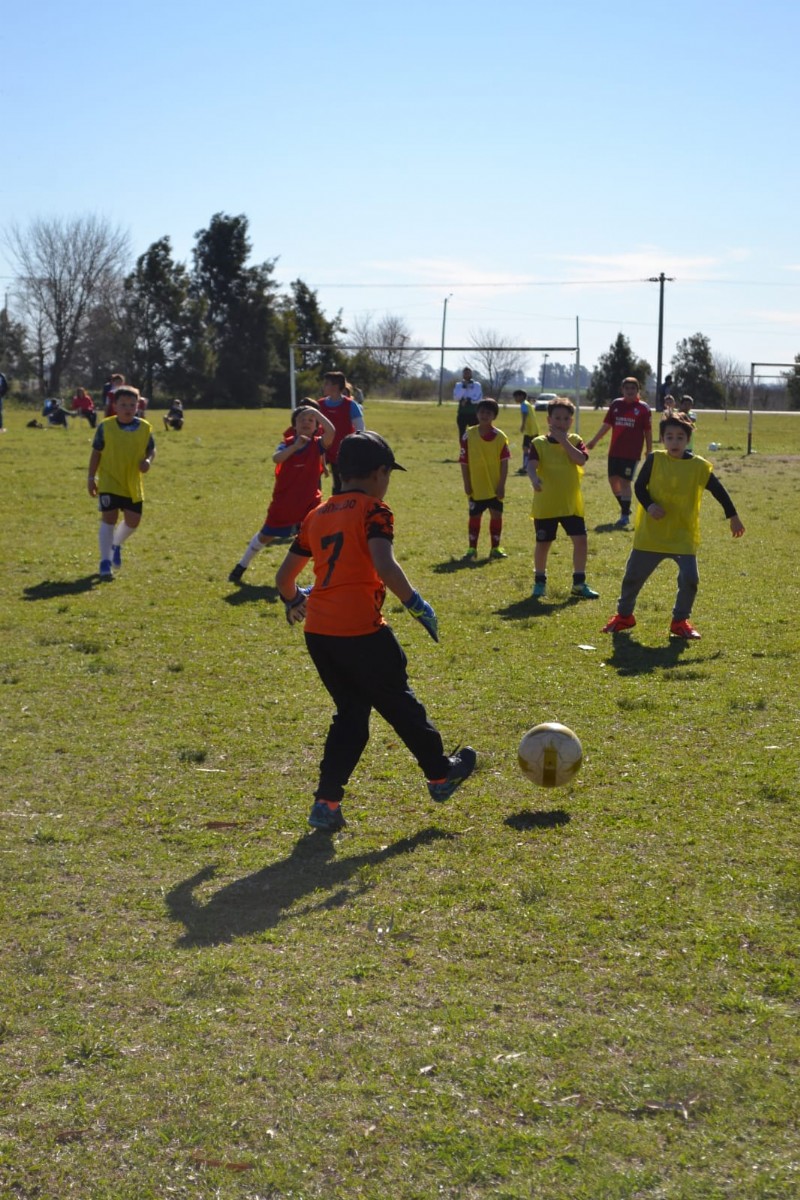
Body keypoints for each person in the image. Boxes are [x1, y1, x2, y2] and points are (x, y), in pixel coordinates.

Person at [275, 430, 477, 832]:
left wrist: (294, 600)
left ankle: (326, 802)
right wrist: (417, 605)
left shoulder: (315, 515)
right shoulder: (374, 510)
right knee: (401, 705)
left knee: (350, 717)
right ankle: (440, 774)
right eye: (388, 474)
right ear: (380, 472)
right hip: (362, 631)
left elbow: (284, 578)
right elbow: (384, 564)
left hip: (319, 635)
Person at [601, 412, 744, 640]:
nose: (674, 442)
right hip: (652, 534)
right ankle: (624, 616)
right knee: (632, 577)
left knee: (690, 579)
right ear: (662, 439)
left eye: (679, 437)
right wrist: (649, 506)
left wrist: (733, 516)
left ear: (687, 440)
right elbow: (639, 487)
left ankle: (680, 621)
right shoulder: (655, 459)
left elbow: (718, 490)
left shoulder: (698, 466)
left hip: (682, 534)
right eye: (669, 437)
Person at [229, 401, 336, 583]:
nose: (306, 422)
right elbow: (276, 458)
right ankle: (242, 566)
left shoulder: (317, 444)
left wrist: (317, 414)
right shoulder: (286, 444)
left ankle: (328, 576)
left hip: (310, 502)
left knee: (318, 537)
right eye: (302, 419)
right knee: (266, 535)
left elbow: (332, 432)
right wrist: (294, 447)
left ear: (316, 426)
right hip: (284, 502)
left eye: (311, 420)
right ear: (294, 425)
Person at [527, 396, 598, 600]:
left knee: (581, 541)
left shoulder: (575, 441)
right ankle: (539, 582)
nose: (561, 422)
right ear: (549, 420)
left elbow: (580, 460)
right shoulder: (538, 443)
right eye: (557, 418)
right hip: (546, 505)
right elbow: (531, 465)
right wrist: (534, 479)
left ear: (571, 421)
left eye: (566, 419)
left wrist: (563, 442)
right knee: (543, 544)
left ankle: (579, 583)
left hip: (570, 505)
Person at [87, 386, 155, 581]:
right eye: (123, 404)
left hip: (132, 482)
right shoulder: (105, 427)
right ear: (115, 406)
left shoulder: (144, 427)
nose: (128, 408)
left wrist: (148, 461)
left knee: (133, 521)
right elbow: (96, 453)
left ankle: (116, 544)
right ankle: (105, 561)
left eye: (132, 405)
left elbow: (152, 449)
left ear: (138, 406)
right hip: (109, 480)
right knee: (109, 518)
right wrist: (91, 478)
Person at [586, 376, 653, 529]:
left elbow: (648, 432)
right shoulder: (616, 404)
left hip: (631, 453)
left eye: (633, 388)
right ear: (622, 390)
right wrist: (594, 441)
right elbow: (606, 425)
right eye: (627, 388)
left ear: (638, 391)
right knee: (612, 481)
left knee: (624, 482)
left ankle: (624, 516)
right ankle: (625, 507)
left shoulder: (643, 408)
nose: (630, 391)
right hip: (615, 450)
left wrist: (649, 450)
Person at [460, 397, 510, 560]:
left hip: (495, 486)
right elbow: (464, 462)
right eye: (482, 411)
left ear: (494, 416)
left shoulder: (500, 437)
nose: (484, 415)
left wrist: (502, 485)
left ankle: (495, 548)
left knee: (496, 514)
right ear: (477, 414)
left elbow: (504, 464)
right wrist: (467, 483)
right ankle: (471, 549)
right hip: (476, 486)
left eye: (488, 412)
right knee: (475, 516)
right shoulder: (468, 435)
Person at [318, 370, 365, 494]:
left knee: (340, 485)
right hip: (322, 449)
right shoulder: (320, 404)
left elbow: (360, 429)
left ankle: (338, 508)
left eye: (326, 384)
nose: (324, 386)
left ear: (335, 386)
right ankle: (313, 504)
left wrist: (355, 449)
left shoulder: (351, 405)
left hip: (342, 451)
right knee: (312, 477)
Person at [453, 367, 483, 442]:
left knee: (475, 433)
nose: (467, 375)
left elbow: (478, 398)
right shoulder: (458, 385)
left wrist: (468, 401)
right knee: (462, 433)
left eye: (468, 373)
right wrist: (464, 387)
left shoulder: (477, 385)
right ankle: (463, 451)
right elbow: (456, 397)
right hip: (462, 413)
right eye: (465, 373)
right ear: (463, 375)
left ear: (471, 374)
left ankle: (474, 449)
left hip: (474, 413)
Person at [515, 388, 538, 474]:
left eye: (516, 397)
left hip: (530, 431)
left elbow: (525, 414)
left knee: (526, 449)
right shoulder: (527, 404)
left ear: (521, 396)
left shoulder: (524, 404)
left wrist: (523, 425)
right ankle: (527, 466)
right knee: (530, 449)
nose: (515, 399)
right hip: (533, 429)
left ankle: (526, 467)